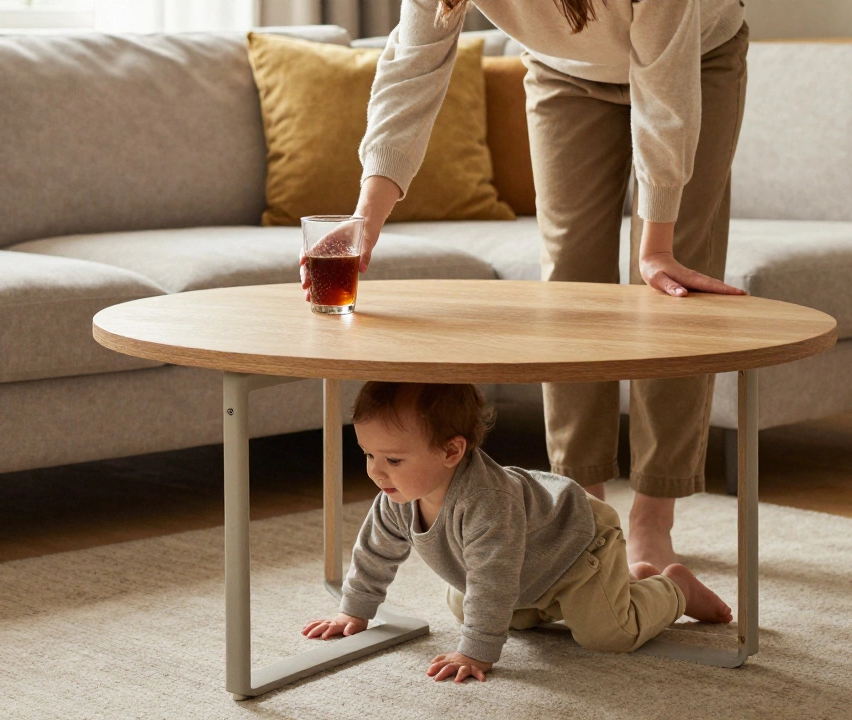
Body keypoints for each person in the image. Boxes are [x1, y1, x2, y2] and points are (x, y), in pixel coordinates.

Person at [300, 0, 750, 571]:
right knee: (567, 287)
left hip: (694, 58)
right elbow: (413, 67)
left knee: (672, 283)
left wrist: (656, 244)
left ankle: (652, 516)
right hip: (564, 72)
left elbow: (665, 91)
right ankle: (582, 513)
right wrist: (366, 217)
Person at [302, 382, 731, 683]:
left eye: (392, 460)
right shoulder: (396, 495)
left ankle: (674, 588)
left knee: (608, 636)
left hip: (576, 549)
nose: (375, 471)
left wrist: (476, 651)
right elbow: (375, 553)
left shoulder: (487, 502)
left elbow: (493, 579)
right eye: (368, 454)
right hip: (528, 569)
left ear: (452, 451)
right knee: (467, 606)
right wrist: (354, 610)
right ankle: (622, 582)